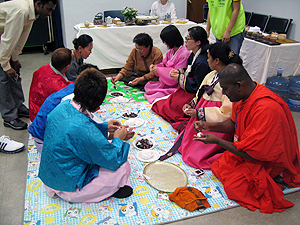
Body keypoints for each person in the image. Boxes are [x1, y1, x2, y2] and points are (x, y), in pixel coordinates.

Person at [194, 63, 300, 213]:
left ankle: (276, 177)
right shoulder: (242, 96)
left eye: (225, 88)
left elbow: (255, 154)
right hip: (249, 149)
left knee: (234, 187)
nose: (223, 93)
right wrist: (210, 126)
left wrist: (217, 140)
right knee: (220, 165)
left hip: (268, 159)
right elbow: (233, 124)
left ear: (239, 85)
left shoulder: (266, 108)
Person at [38, 68, 135, 202]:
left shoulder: (64, 106)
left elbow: (81, 130)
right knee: (123, 167)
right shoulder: (82, 128)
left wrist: (105, 127)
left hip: (52, 174)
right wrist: (118, 139)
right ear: (97, 104)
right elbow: (112, 159)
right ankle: (102, 191)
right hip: (68, 185)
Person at [160, 42, 243, 169]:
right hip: (202, 111)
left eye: (209, 57)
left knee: (195, 156)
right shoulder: (211, 74)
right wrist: (191, 105)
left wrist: (199, 113)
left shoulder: (228, 81)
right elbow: (200, 93)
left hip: (216, 123)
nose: (207, 60)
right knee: (188, 142)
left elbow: (227, 112)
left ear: (217, 60)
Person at [0, 0, 57, 130]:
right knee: (3, 77)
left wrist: (14, 58)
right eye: (48, 9)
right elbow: (8, 40)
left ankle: (18, 107)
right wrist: (5, 64)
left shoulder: (32, 14)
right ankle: (9, 117)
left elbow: (20, 37)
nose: (49, 14)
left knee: (15, 71)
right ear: (38, 4)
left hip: (4, 36)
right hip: (2, 37)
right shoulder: (22, 12)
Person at [29, 64, 100, 154]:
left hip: (44, 133)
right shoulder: (72, 102)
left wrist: (104, 127)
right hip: (45, 140)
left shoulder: (74, 88)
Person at [151, 26, 210, 130]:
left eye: (188, 39)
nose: (185, 41)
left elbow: (198, 86)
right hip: (188, 86)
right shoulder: (193, 54)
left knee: (172, 107)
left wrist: (179, 78)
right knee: (166, 102)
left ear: (198, 42)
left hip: (195, 91)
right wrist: (178, 71)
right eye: (185, 38)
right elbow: (188, 69)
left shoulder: (202, 61)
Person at [144, 25, 191, 103]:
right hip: (166, 82)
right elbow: (164, 64)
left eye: (165, 41)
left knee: (156, 95)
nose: (165, 43)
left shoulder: (184, 54)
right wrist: (155, 67)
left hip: (175, 84)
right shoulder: (171, 51)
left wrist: (159, 70)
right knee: (149, 86)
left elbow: (177, 73)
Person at [29, 48, 73, 121]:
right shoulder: (60, 88)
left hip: (34, 112)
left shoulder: (42, 69)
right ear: (67, 66)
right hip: (43, 121)